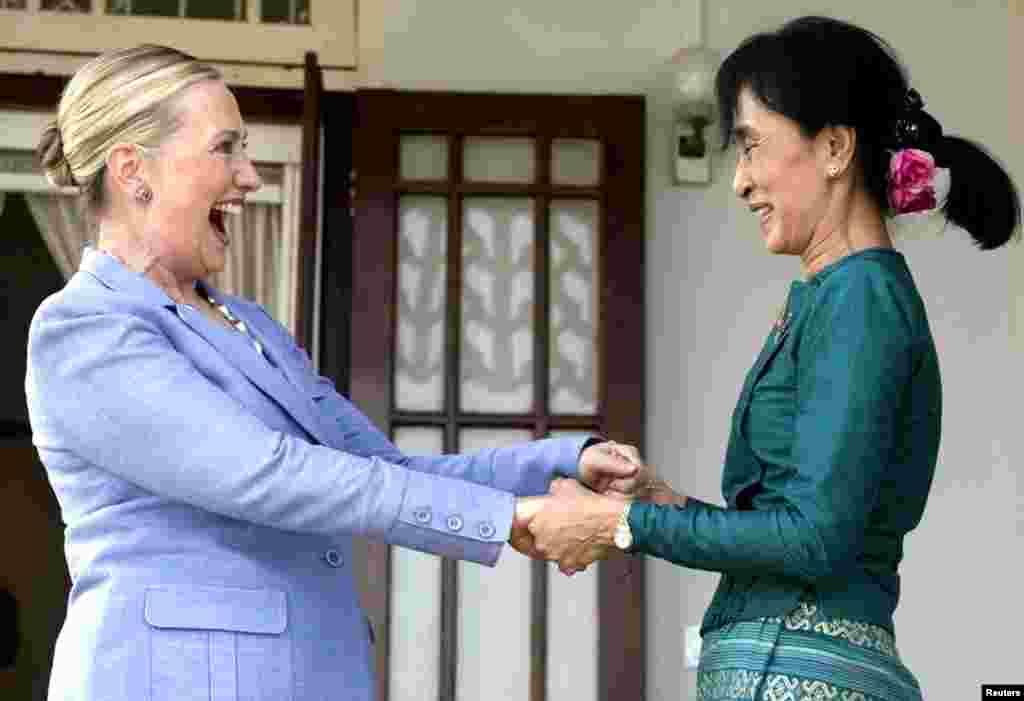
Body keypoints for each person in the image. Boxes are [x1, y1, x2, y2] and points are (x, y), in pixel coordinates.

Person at [24, 45, 640, 701]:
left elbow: (382, 471)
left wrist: (560, 465)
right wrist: (510, 517)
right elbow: (266, 471)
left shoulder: (247, 322)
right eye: (225, 149)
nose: (249, 176)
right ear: (131, 170)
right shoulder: (84, 329)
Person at [522, 15, 1020, 701]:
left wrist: (625, 524)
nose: (741, 182)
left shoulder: (861, 297)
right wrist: (660, 504)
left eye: (753, 147)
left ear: (836, 147)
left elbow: (814, 537)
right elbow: (797, 523)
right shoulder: (837, 295)